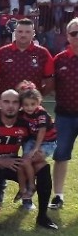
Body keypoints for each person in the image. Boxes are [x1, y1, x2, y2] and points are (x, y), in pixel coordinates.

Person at [0, 89, 57, 230]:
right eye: (6, 102)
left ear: (20, 105)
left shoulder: (26, 121)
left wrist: (39, 152)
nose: (10, 106)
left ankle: (42, 216)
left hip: (13, 163)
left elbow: (42, 122)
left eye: (15, 102)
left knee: (42, 166)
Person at [49, 17, 78, 209]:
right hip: (65, 115)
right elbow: (50, 86)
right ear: (67, 36)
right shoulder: (59, 60)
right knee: (60, 155)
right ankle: (58, 195)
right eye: (74, 33)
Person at [0, 18, 54, 96]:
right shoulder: (2, 52)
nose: (23, 35)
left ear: (33, 33)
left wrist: (36, 97)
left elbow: (50, 83)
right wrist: (5, 96)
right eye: (20, 31)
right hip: (8, 102)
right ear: (15, 32)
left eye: (27, 32)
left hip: (31, 103)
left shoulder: (43, 53)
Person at [16, 87, 57, 205]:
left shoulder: (41, 114)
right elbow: (8, 111)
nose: (29, 107)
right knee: (22, 163)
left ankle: (31, 186)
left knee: (28, 161)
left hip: (47, 142)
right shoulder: (23, 113)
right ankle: (23, 189)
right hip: (33, 140)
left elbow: (42, 131)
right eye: (26, 105)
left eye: (32, 104)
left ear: (39, 102)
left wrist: (35, 149)